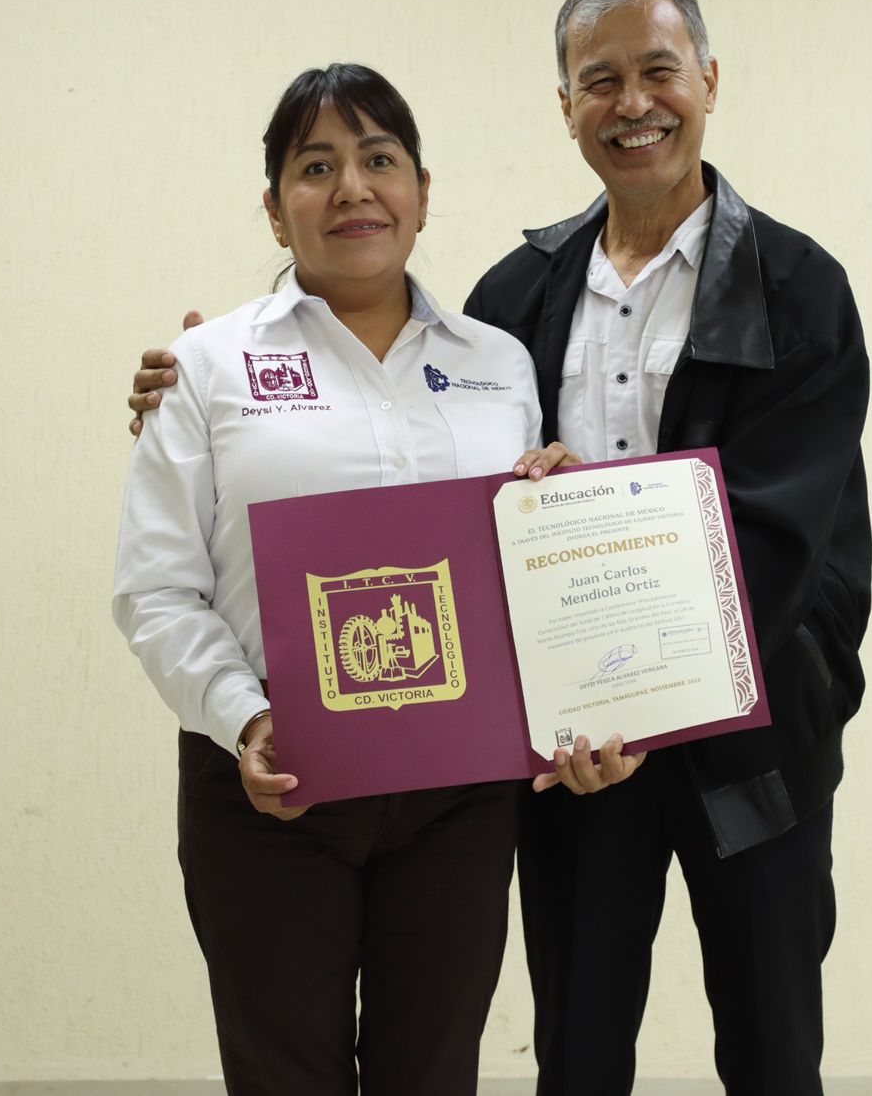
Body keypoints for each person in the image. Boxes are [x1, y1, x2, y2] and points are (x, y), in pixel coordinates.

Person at [129, 0, 871, 1096]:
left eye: (658, 71)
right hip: (560, 770)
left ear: (708, 82)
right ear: (564, 106)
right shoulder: (515, 302)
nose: (633, 103)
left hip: (745, 743)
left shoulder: (796, 288)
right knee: (574, 1049)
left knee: (771, 1045)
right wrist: (190, 381)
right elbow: (470, 533)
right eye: (599, 81)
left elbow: (781, 535)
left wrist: (627, 687)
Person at [112, 62, 639, 1096]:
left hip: (457, 802)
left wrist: (560, 518)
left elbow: (521, 588)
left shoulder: (499, 364)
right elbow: (155, 589)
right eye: (316, 166)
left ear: (423, 192)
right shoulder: (207, 368)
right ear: (274, 211)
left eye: (379, 159)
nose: (352, 187)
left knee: (433, 1073)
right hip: (271, 791)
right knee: (284, 1077)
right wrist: (246, 718)